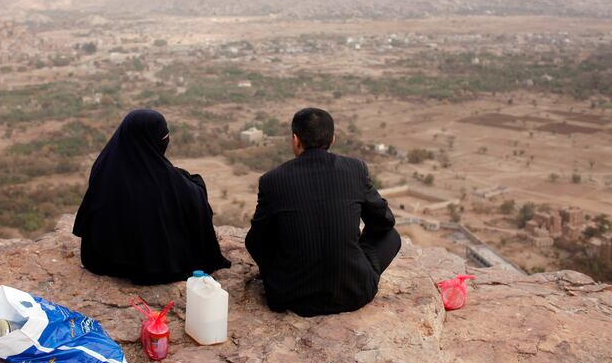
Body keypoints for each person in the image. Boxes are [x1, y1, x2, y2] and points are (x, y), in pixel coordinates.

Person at [245, 107, 401, 317]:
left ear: (295, 139)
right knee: (391, 236)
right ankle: (352, 269)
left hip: (290, 296)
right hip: (353, 293)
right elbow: (384, 221)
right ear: (333, 139)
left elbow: (256, 242)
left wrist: (277, 271)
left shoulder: (272, 180)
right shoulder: (355, 169)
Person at [73, 109, 230, 284]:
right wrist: (193, 184)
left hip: (103, 258)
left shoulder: (105, 165)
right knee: (195, 184)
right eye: (163, 134)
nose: (166, 138)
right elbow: (193, 201)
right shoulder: (165, 184)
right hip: (154, 266)